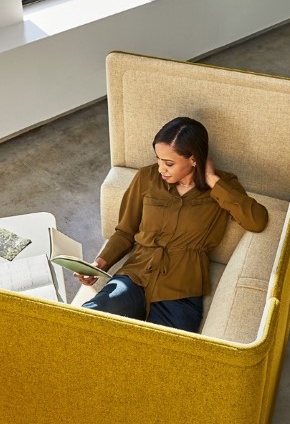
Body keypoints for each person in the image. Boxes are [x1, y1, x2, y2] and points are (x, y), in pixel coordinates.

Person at [75, 116, 269, 333]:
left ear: (193, 159)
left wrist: (212, 180)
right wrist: (100, 264)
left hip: (181, 291)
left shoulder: (223, 186)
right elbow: (125, 232)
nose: (161, 169)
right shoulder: (146, 178)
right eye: (158, 160)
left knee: (166, 355)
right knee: (85, 323)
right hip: (135, 277)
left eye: (169, 163)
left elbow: (257, 221)